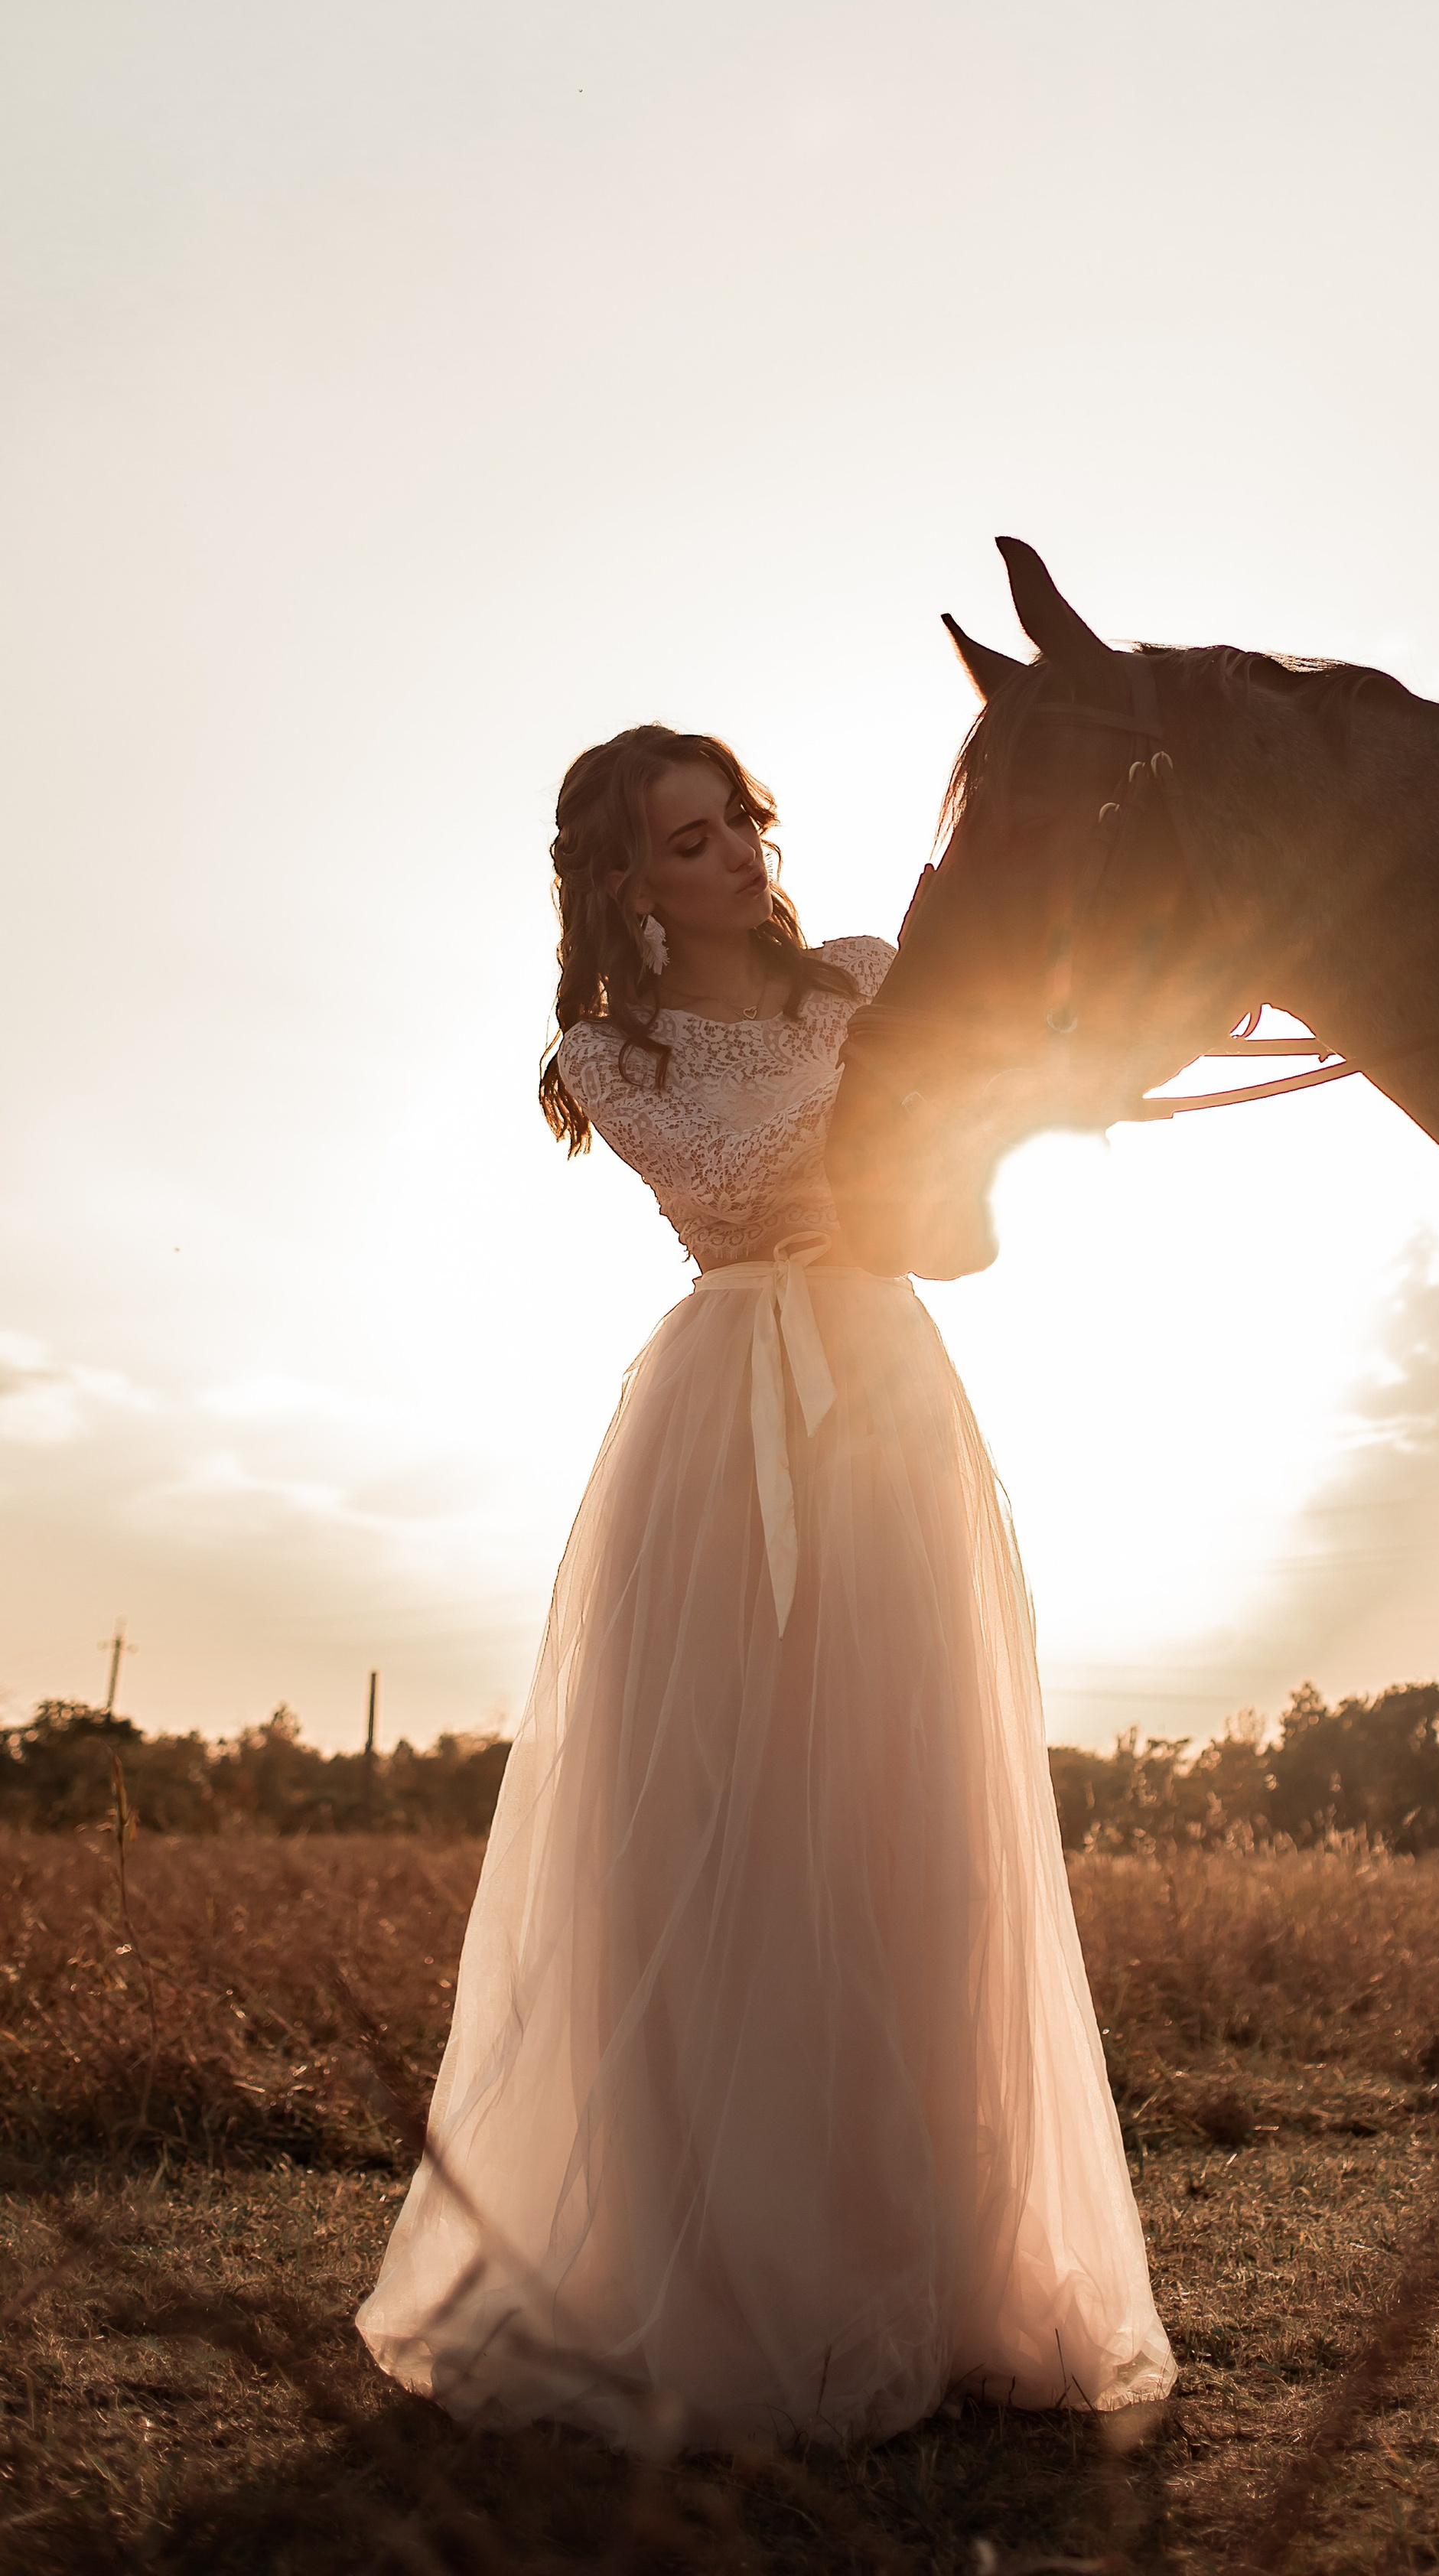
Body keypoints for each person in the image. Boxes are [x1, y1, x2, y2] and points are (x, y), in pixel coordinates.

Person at [356, 721, 1175, 2454]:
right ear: (624, 886)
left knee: (904, 1807)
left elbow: (952, 1177)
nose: (730, 853)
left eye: (734, 820)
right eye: (683, 840)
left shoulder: (868, 979)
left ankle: (929, 2263)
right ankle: (720, 2264)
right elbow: (735, 1189)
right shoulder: (607, 1050)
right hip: (726, 1419)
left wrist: (1036, 1074)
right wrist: (895, 1123)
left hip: (882, 1396)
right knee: (711, 1819)